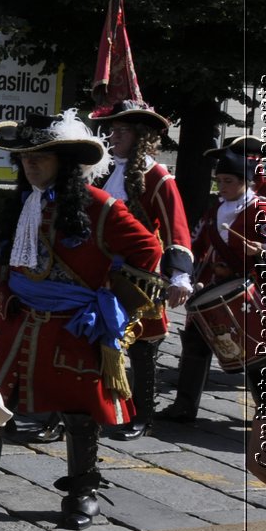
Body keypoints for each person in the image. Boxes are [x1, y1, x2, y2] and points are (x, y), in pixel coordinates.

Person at [0, 112, 161, 530]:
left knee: (79, 414)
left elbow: (148, 251)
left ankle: (83, 493)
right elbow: (2, 262)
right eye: (25, 158)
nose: (30, 165)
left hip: (72, 327)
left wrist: (108, 300)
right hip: (17, 321)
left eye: (40, 158)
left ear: (64, 162)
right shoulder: (22, 204)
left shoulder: (100, 208)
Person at [89, 98, 193, 439]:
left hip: (143, 276)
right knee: (95, 338)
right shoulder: (103, 170)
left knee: (143, 347)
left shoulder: (158, 176)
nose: (113, 136)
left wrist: (179, 275)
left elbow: (177, 227)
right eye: (113, 129)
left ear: (140, 136)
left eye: (121, 131)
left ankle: (143, 417)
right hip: (102, 270)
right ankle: (95, 407)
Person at [162, 145, 266, 423]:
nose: (221, 185)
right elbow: (196, 242)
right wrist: (185, 273)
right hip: (219, 284)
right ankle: (184, 405)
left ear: (244, 182)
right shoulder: (215, 207)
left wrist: (261, 250)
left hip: (254, 289)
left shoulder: (260, 209)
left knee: (255, 352)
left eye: (228, 181)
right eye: (219, 180)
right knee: (194, 340)